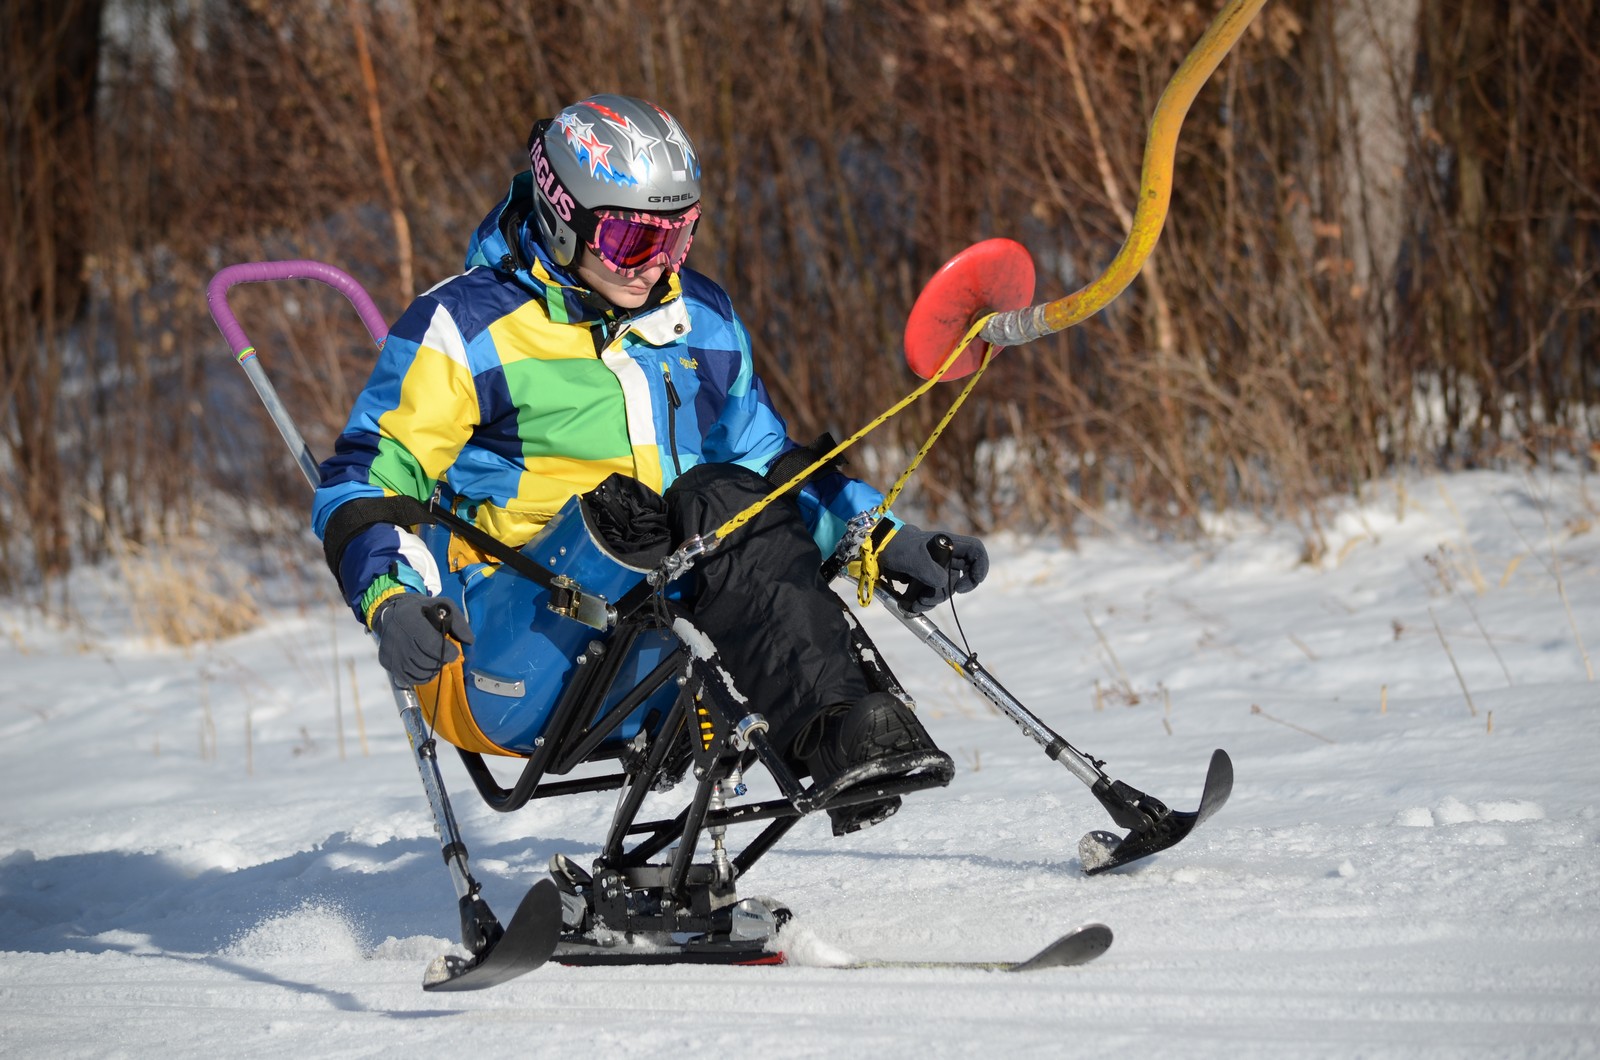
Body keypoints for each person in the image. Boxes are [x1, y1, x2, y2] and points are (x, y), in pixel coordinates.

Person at [312, 94, 988, 834]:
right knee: (688, 503)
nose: (658, 266)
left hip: (674, 643)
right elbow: (367, 480)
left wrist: (884, 536)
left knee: (729, 497)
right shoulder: (468, 327)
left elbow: (769, 464)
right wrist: (391, 599)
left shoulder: (701, 315)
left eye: (680, 237)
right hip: (508, 652)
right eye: (634, 240)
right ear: (563, 215)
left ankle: (847, 731)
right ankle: (830, 734)